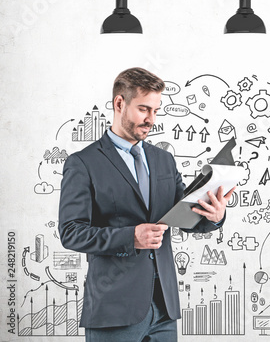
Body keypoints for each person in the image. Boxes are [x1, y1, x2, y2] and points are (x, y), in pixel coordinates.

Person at [58, 67, 234, 342]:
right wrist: (131, 237)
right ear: (119, 103)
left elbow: (182, 216)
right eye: (143, 109)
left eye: (156, 110)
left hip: (164, 307)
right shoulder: (83, 163)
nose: (151, 119)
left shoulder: (164, 160)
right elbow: (71, 232)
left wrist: (213, 215)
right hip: (114, 309)